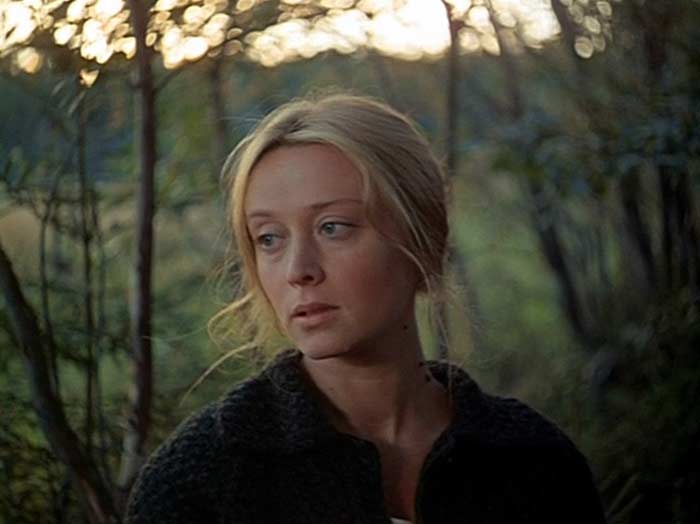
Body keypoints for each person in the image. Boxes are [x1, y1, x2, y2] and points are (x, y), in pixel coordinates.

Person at [125, 93, 607, 524]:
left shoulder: (534, 460)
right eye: (269, 238)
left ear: (425, 242)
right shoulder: (198, 483)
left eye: (333, 227)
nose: (298, 269)